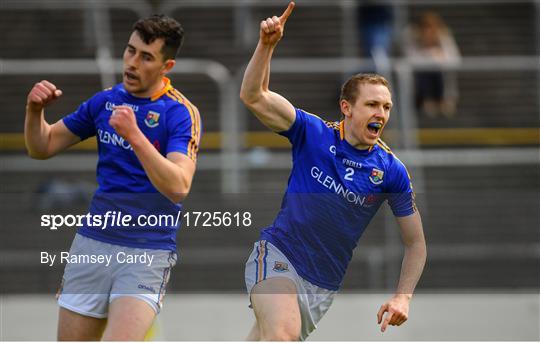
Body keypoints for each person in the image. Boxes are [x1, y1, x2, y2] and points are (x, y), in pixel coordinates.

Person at [240, 3, 427, 340]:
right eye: (372, 104)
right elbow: (253, 96)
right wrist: (267, 45)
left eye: (386, 107)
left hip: (322, 285)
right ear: (347, 108)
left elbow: (416, 243)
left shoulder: (391, 170)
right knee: (282, 335)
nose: (381, 113)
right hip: (280, 255)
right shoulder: (312, 133)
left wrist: (403, 296)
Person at [24, 14, 201, 340]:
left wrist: (135, 136)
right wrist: (35, 112)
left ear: (167, 66)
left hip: (147, 252)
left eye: (146, 57)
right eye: (130, 50)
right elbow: (43, 146)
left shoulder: (179, 112)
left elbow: (179, 186)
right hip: (92, 245)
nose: (132, 63)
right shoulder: (105, 102)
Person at [403, 11, 461, 118]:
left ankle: (444, 101)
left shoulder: (444, 38)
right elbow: (411, 61)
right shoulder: (412, 38)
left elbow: (455, 60)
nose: (428, 32)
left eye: (431, 28)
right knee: (425, 72)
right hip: (420, 78)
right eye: (425, 28)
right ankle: (427, 101)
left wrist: (437, 58)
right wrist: (431, 55)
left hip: (441, 75)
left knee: (441, 72)